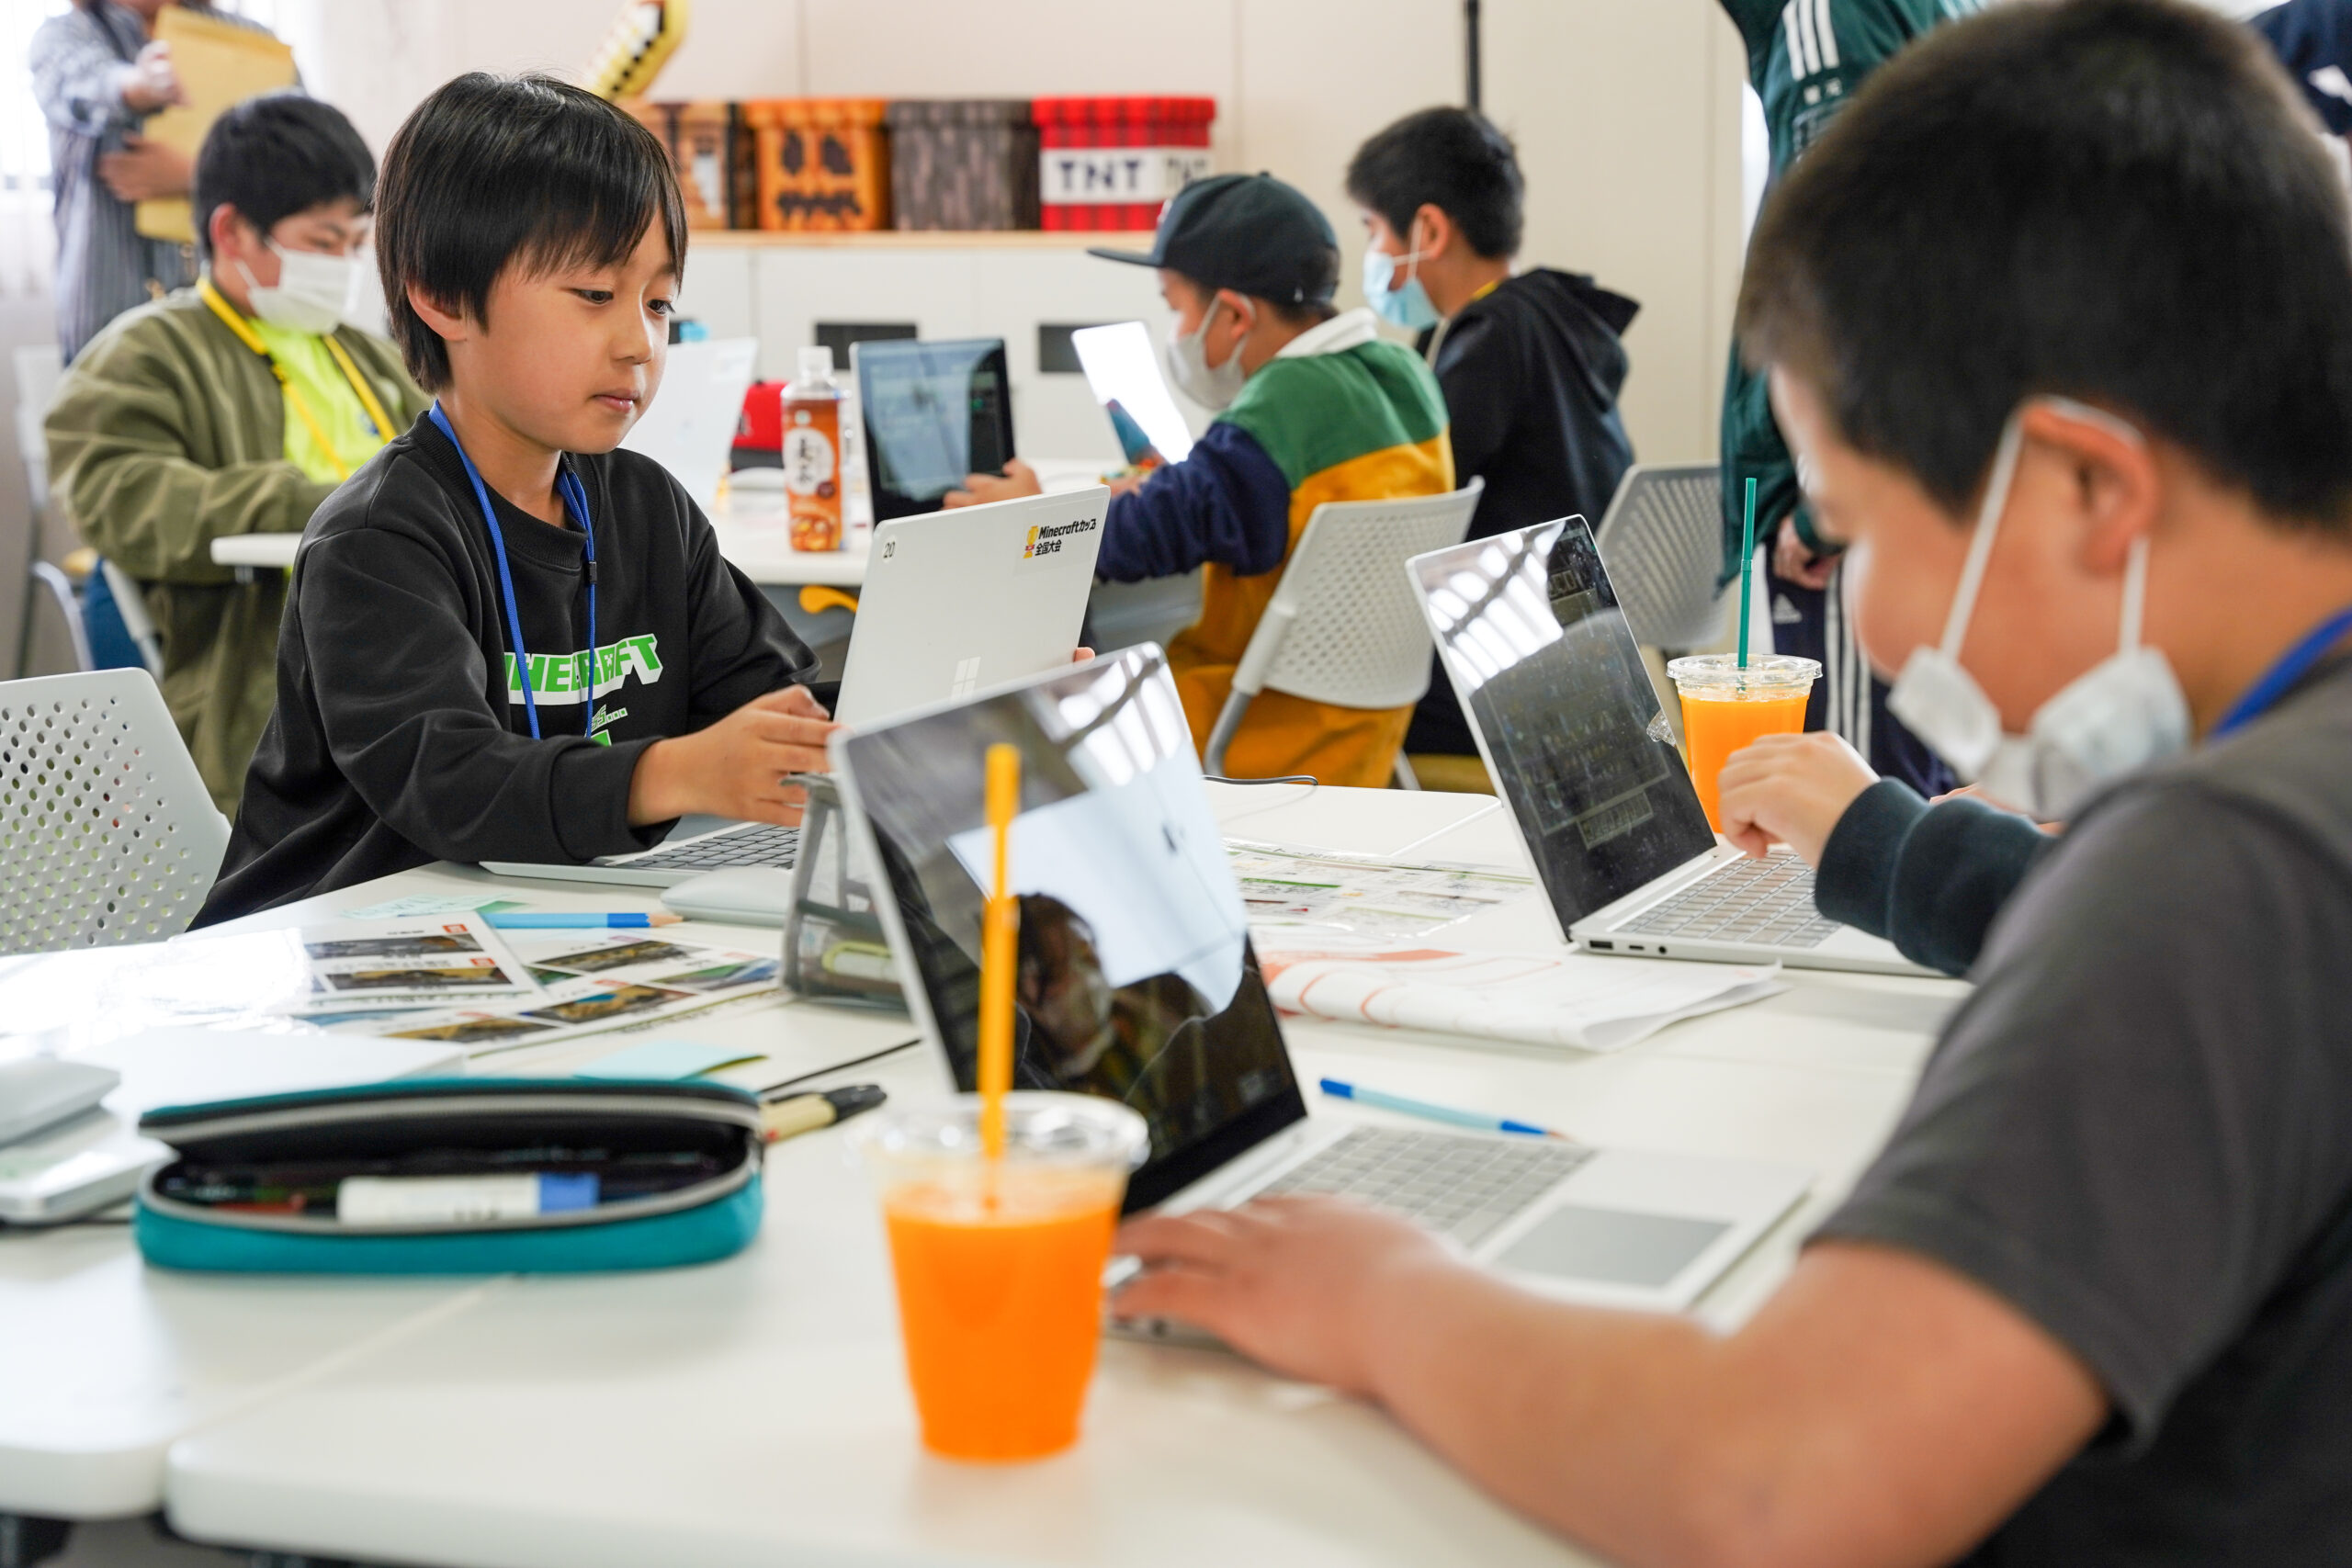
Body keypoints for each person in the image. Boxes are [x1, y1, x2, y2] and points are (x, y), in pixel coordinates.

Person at [1116, 5, 2352, 1563]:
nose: (1872, 619)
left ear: (2086, 485)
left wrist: (1377, 1291)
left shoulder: (2222, 862)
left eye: (1855, 526)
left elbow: (1774, 1481)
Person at [194, 74, 832, 923]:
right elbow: (452, 783)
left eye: (658, 303)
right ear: (442, 295)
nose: (639, 343)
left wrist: (924, 718)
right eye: (596, 295)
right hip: (340, 944)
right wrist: (679, 772)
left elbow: (775, 700)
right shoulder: (377, 539)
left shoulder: (647, 508)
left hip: (536, 923)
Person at [944, 173, 1453, 786]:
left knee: (1006, 721)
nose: (1177, 332)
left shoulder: (1282, 406)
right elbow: (1239, 495)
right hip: (1366, 739)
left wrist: (1034, 513)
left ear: (1234, 314)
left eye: (1176, 308)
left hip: (1246, 737)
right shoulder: (1404, 376)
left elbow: (1138, 538)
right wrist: (1177, 482)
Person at [45, 93, 425, 816]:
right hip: (264, 673)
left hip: (414, 650)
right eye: (322, 242)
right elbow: (125, 498)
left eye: (355, 243)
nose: (344, 265)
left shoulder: (371, 356)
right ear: (231, 231)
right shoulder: (144, 354)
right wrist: (334, 503)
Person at [1717, 0, 1986, 803]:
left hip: (1850, 506)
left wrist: (1824, 503)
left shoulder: (1827, 15)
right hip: (1927, 472)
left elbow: (1854, 263)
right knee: (1916, 801)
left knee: (1856, 810)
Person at [1342, 106, 1639, 761]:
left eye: (1373, 229)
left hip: (1509, 682)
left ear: (1428, 229)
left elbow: (1415, 504)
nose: (1373, 251)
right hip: (1584, 665)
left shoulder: (1489, 340)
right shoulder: (1559, 319)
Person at [28, 0, 284, 364]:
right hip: (107, 306)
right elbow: (87, 85)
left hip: (235, 314)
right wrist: (139, 87)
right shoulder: (67, 34)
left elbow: (304, 160)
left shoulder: (251, 42)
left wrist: (198, 175)